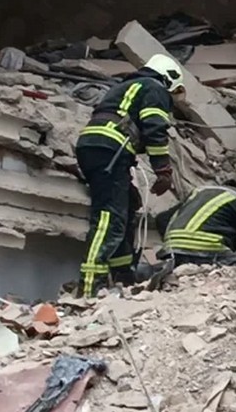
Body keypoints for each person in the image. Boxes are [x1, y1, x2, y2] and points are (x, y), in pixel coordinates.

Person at [73, 54, 184, 297]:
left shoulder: (125, 86)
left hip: (96, 147)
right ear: (169, 78)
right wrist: (163, 170)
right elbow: (154, 127)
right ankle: (91, 285)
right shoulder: (155, 89)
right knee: (108, 217)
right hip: (109, 149)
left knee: (126, 206)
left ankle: (124, 275)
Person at [159, 180, 236, 264]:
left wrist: (175, 243)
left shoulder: (200, 191)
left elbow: (162, 219)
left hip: (172, 251)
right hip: (208, 250)